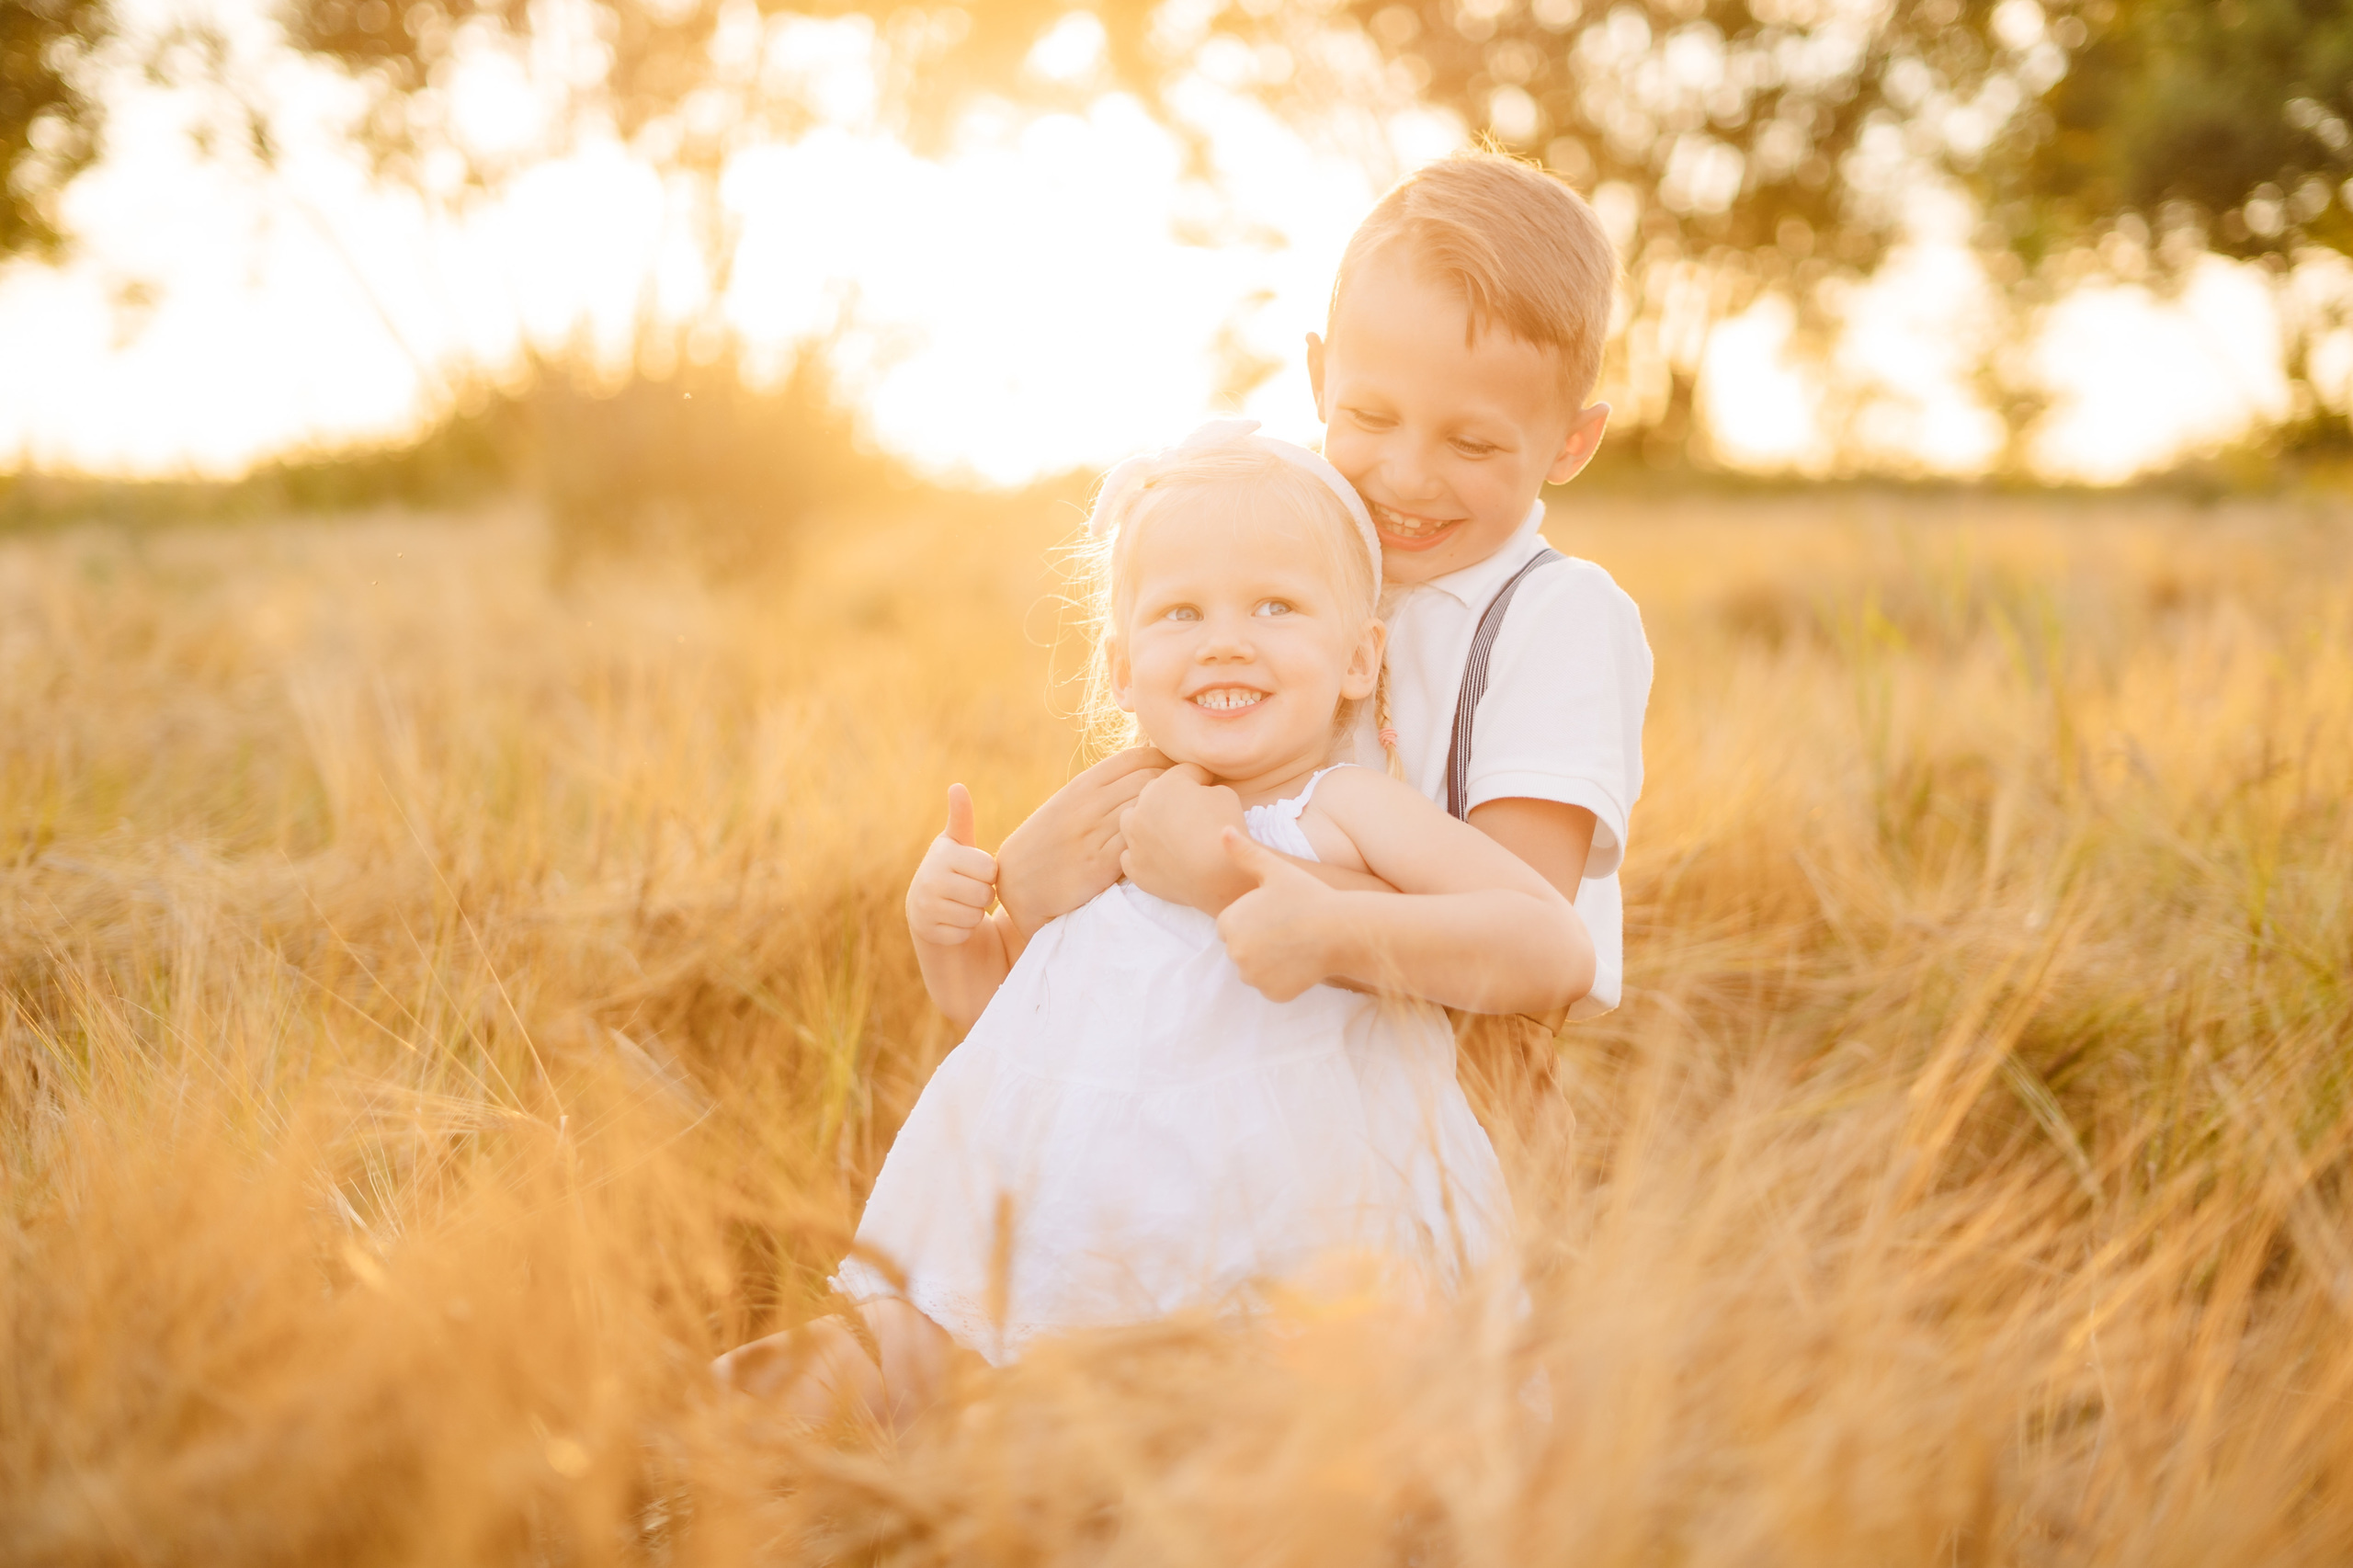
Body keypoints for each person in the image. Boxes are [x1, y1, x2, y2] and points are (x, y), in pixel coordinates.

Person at [713, 422, 1593, 1428]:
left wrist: (1332, 927)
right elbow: (1004, 1016)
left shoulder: (1345, 810)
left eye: (1275, 605)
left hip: (1295, 1258)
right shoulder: (1105, 823)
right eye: (1181, 611)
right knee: (886, 1352)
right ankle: (663, 1446)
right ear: (1122, 669)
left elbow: (1555, 949)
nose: (1226, 639)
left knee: (1293, 1403)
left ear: (1359, 657)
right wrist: (948, 930)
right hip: (1064, 1248)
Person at [996, 152, 1649, 1040]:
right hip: (1227, 1053)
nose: (1407, 476)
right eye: (1372, 416)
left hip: (1456, 1085)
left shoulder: (1557, 617)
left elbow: (1529, 946)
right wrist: (1033, 883)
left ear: (1571, 443)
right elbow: (1157, 811)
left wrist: (1228, 879)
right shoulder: (1277, 557)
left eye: (1472, 444)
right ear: (1318, 377)